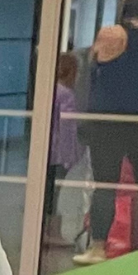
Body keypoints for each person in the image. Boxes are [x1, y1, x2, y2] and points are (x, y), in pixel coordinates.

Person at [76, 0, 138, 262]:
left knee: (105, 185)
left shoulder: (111, 36)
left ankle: (97, 246)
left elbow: (92, 69)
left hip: (108, 124)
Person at [45, 52, 80, 244]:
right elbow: (67, 127)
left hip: (47, 151)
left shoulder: (50, 90)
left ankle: (46, 230)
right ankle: (53, 231)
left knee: (47, 190)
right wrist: (69, 155)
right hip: (58, 152)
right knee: (55, 193)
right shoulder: (66, 94)